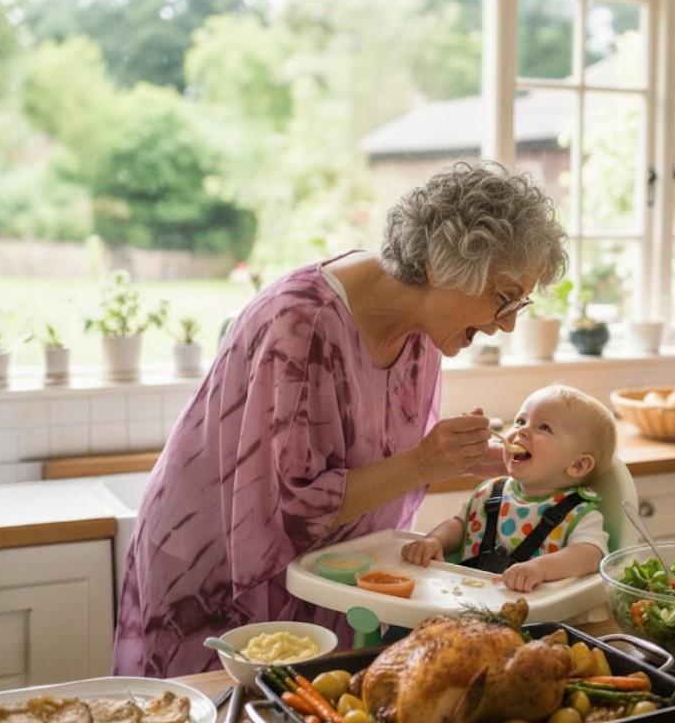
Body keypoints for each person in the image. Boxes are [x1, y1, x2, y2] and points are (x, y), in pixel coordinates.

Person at [112, 162, 568, 677]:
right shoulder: (301, 325)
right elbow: (295, 507)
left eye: (520, 303)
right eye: (504, 297)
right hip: (212, 578)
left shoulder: (424, 327)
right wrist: (426, 462)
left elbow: (374, 462)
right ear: (444, 268)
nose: (507, 322)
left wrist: (499, 462)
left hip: (321, 575)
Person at [401, 384, 617, 593]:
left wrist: (540, 569)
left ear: (578, 465)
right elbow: (461, 524)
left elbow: (590, 554)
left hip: (535, 615)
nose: (521, 430)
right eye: (520, 421)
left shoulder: (578, 514)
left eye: (544, 427)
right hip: (467, 599)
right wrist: (434, 541)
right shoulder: (492, 492)